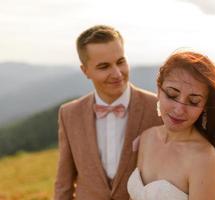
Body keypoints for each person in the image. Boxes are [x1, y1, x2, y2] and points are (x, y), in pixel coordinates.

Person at [127, 51, 215, 200]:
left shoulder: (204, 158)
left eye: (193, 101)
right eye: (172, 95)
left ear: (205, 106)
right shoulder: (147, 137)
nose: (179, 109)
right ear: (158, 90)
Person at [54, 25, 162, 200]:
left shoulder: (158, 109)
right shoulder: (69, 114)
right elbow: (63, 182)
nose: (117, 73)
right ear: (85, 71)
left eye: (121, 62)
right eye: (104, 66)